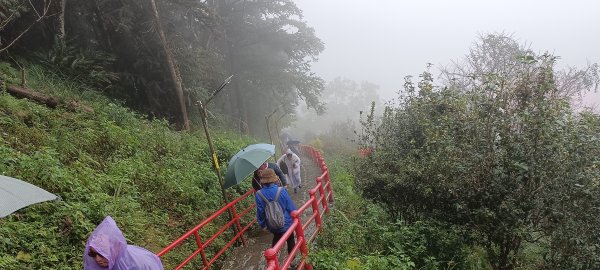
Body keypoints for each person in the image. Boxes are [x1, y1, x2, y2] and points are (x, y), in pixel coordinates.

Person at [84, 216, 164, 270]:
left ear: (113, 250)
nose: (97, 259)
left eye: (102, 254)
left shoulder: (133, 264)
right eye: (93, 254)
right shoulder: (103, 262)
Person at [255, 169, 296, 255]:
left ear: (263, 181)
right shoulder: (281, 190)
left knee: (277, 237)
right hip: (286, 222)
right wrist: (295, 218)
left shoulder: (259, 194)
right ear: (274, 179)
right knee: (290, 239)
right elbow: (290, 207)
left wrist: (263, 225)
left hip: (272, 224)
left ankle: (272, 259)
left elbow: (260, 212)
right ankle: (292, 260)